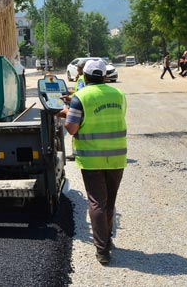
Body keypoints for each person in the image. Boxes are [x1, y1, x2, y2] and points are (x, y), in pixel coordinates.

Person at [64, 59, 127, 266]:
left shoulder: (80, 97)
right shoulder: (119, 95)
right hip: (116, 158)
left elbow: (71, 128)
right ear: (104, 76)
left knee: (97, 202)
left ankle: (102, 251)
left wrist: (65, 112)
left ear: (85, 76)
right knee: (109, 202)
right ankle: (106, 240)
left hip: (92, 159)